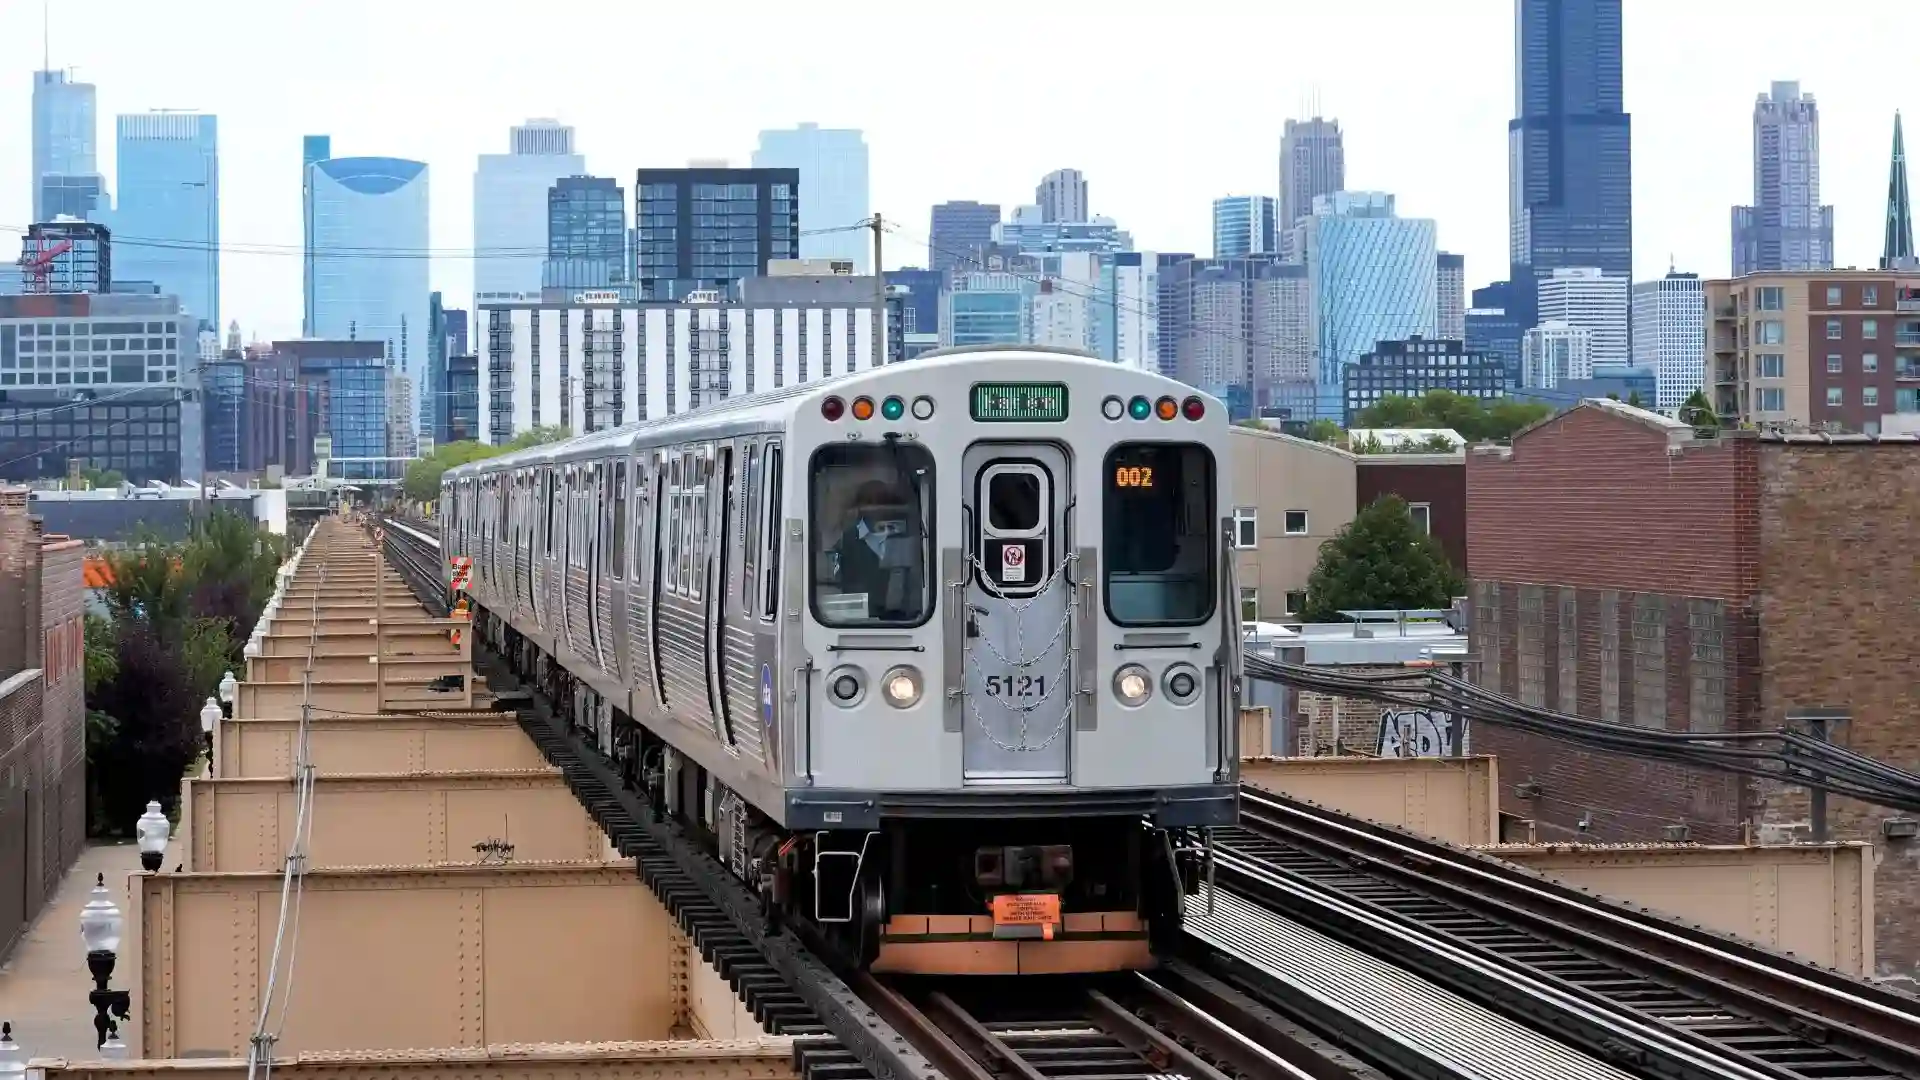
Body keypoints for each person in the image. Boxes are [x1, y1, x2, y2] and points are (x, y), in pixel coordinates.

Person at [833, 480, 913, 621]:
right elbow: (837, 581)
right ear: (859, 507)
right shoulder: (847, 539)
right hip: (858, 620)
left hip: (904, 620)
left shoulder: (904, 535)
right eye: (869, 502)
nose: (876, 507)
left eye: (881, 501)